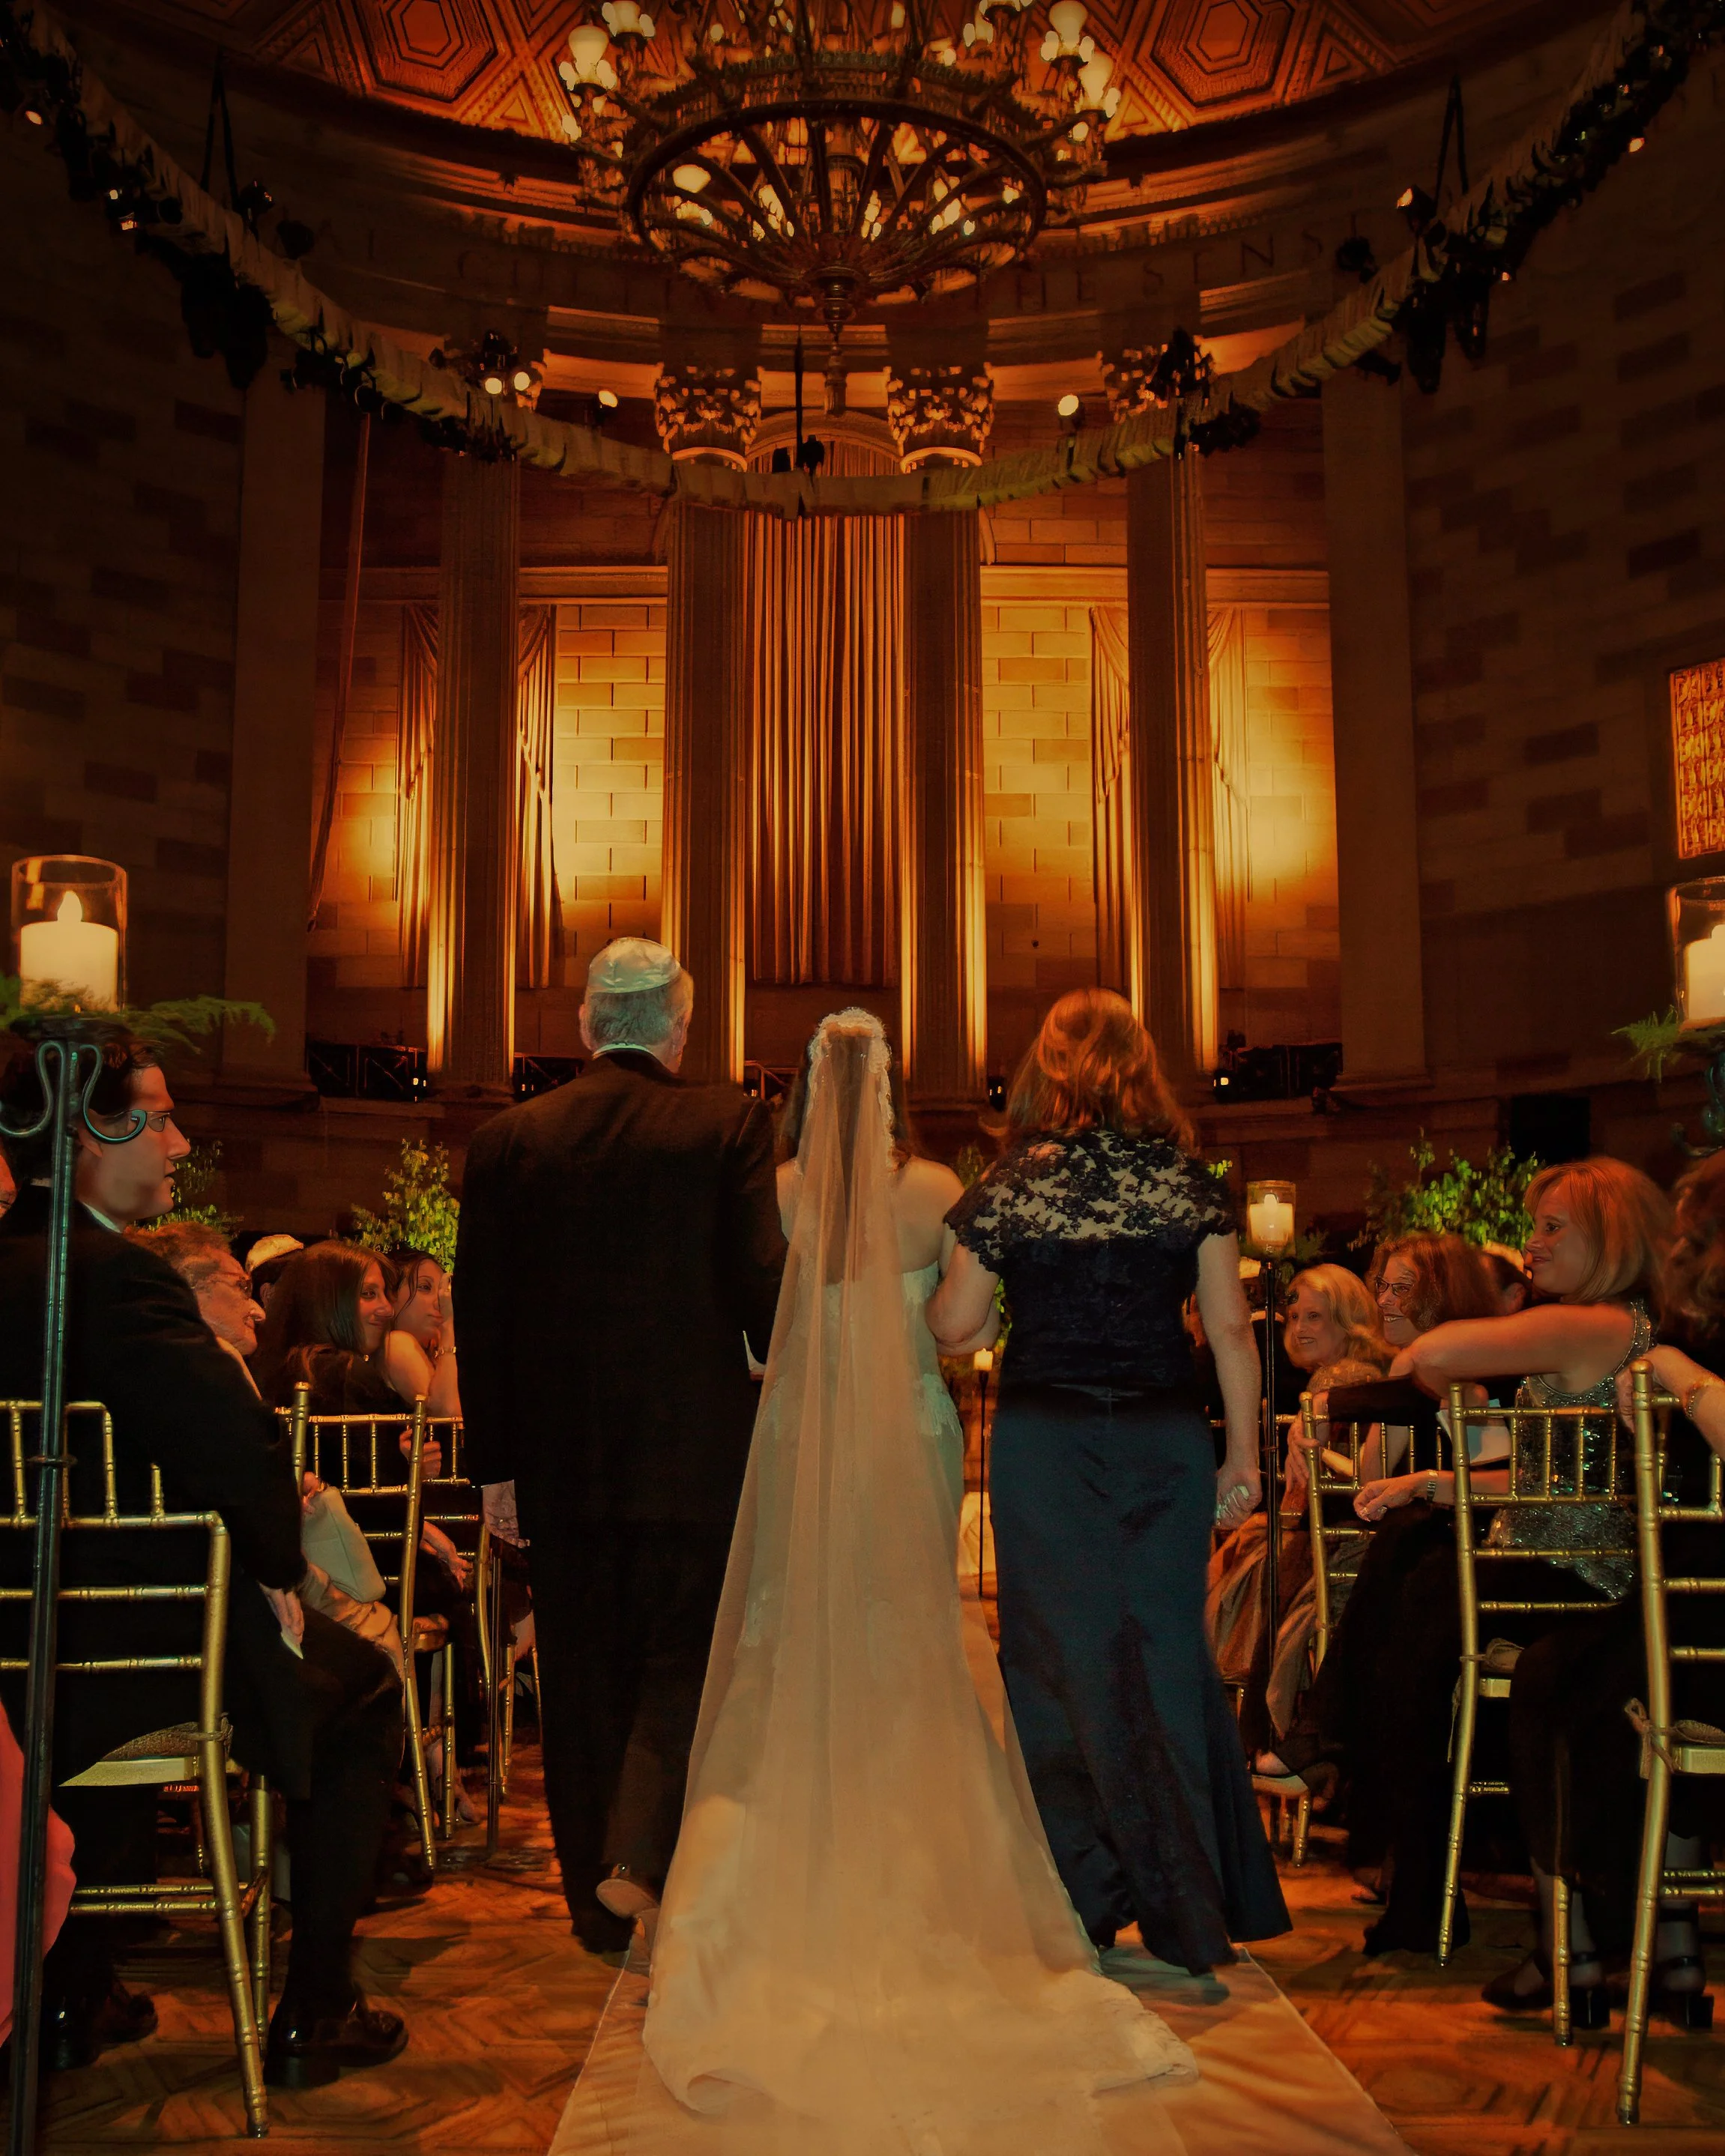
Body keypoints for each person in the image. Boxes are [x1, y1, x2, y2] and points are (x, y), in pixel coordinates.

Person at [638, 1009, 1196, 2156]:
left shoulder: (779, 1187)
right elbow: (966, 1323)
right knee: (907, 1628)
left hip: (798, 1429)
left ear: (805, 1088)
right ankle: (916, 1842)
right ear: (892, 1087)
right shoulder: (938, 1186)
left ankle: (777, 1859)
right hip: (910, 1433)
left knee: (790, 1631)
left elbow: (748, 1332)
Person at [0, 1037, 405, 2086]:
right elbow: (237, 1445)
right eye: (164, 1117)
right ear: (94, 1130)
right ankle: (319, 1999)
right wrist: (281, 1570)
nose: (181, 1141)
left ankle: (73, 1984)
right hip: (122, 1639)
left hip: (16, 1643)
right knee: (360, 1683)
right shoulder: (115, 1278)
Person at [928, 987, 1288, 1974]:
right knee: (1164, 1654)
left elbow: (954, 1326)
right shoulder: (1187, 1183)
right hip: (1162, 1438)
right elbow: (1225, 1330)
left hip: (1047, 1442)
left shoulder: (1010, 1184)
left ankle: (1083, 1895)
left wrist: (967, 1316)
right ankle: (1186, 1902)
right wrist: (1243, 1459)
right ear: (1144, 1067)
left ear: (1044, 1070)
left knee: (1054, 1663)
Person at [455, 938, 786, 1954]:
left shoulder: (510, 1139)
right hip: (695, 1452)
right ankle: (647, 1863)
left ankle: (589, 1899)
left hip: (557, 1460)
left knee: (580, 1671)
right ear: (679, 1028)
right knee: (685, 1656)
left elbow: (482, 1314)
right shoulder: (729, 1123)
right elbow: (760, 1287)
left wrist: (496, 1466)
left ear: (586, 1028)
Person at [1340, 1160, 1672, 1960]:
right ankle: (1403, 1856)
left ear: (1611, 1237)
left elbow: (1439, 1351)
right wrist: (1427, 1477)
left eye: (1553, 1226)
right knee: (1414, 1558)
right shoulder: (1598, 1325)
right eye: (1535, 1226)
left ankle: (1397, 1847)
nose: (1532, 1242)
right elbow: (1542, 1475)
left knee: (1419, 1586)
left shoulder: (1589, 1323)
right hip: (1547, 1556)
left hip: (1582, 1572)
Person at [1499, 1152, 1725, 2023]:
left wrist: (1669, 1370)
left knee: (1569, 1681)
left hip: (1696, 1610)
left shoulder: (1670, 1350)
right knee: (1568, 1675)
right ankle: (1652, 1948)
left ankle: (1584, 1947)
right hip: (1684, 1599)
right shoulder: (1680, 1340)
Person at [130, 1223, 405, 1682]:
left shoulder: (149, 1364)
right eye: (239, 1288)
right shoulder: (210, 1362)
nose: (257, 1308)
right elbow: (243, 1496)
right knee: (375, 1648)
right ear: (184, 1290)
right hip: (225, 1586)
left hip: (183, 1585)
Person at [1209, 1265, 1391, 1749]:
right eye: (1294, 1317)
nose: (1302, 1328)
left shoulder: (1346, 1379)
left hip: (1335, 1539)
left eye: (1316, 1316)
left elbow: (1332, 1485)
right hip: (1324, 1530)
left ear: (1349, 1318)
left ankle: (1256, 1737)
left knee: (1243, 1569)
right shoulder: (1342, 1377)